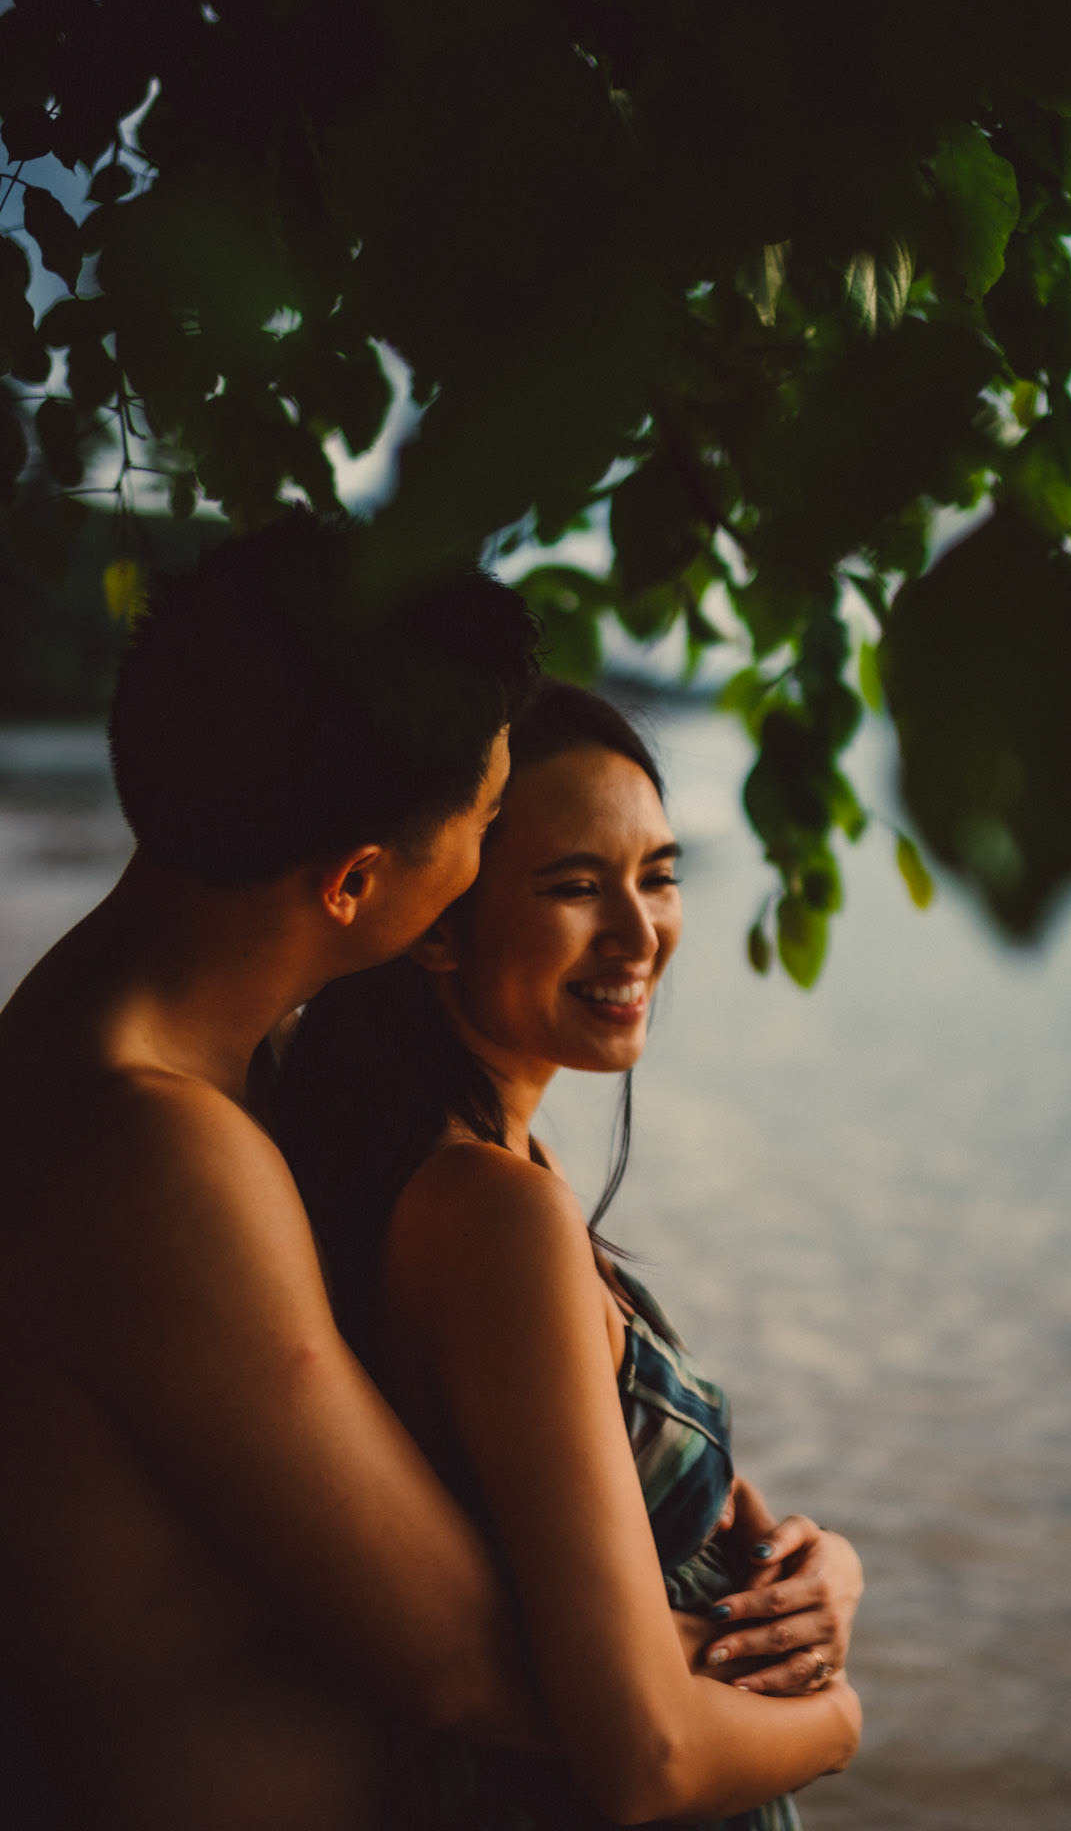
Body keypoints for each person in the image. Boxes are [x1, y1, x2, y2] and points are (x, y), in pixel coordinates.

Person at [0, 513, 548, 1830]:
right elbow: (460, 1661)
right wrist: (776, 1688)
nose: (488, 863)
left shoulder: (99, 1044)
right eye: (485, 822)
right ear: (357, 881)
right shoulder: (152, 1152)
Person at [274, 678, 864, 1829]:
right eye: (576, 886)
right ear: (439, 919)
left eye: (658, 874)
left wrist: (826, 1567)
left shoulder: (481, 1170)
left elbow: (648, 1513)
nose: (641, 933)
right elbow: (643, 1759)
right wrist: (837, 1719)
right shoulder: (488, 1215)